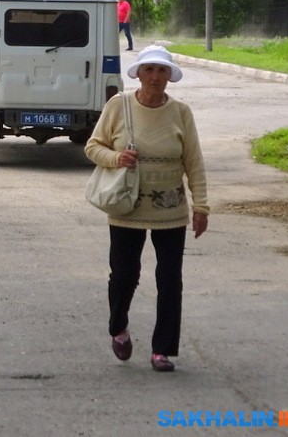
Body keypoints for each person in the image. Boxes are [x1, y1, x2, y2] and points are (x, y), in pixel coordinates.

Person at [84, 44, 209, 373]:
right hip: (126, 205)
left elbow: (193, 162)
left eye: (162, 71)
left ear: (170, 76)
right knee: (124, 276)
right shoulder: (119, 105)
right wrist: (116, 158)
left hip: (171, 209)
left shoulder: (181, 112)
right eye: (149, 70)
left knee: (170, 279)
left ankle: (162, 350)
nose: (155, 77)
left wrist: (202, 206)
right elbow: (93, 146)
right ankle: (118, 327)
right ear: (138, 74)